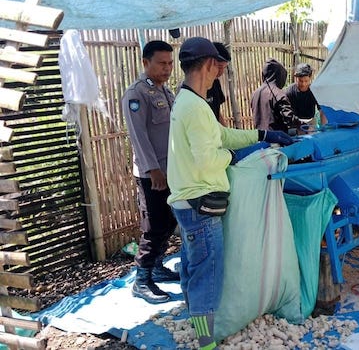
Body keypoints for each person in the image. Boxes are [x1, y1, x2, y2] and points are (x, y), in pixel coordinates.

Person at [166, 37, 294, 350]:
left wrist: (261, 135)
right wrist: (233, 157)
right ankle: (206, 340)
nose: (217, 74)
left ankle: (194, 320)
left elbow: (221, 135)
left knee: (193, 265)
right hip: (200, 203)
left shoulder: (189, 101)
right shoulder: (195, 108)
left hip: (186, 200)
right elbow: (209, 157)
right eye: (216, 68)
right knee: (207, 272)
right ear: (208, 65)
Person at [121, 40, 180, 304]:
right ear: (146, 63)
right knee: (154, 225)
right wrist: (153, 169)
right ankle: (142, 280)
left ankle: (156, 266)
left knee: (170, 221)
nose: (167, 68)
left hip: (171, 170)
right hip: (151, 174)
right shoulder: (137, 94)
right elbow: (138, 136)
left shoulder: (165, 92)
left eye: (170, 63)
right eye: (161, 63)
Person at [251, 58, 301, 133]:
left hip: (260, 137)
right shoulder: (278, 94)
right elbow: (289, 118)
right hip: (276, 138)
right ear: (280, 76)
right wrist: (302, 124)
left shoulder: (255, 93)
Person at [285, 63, 327, 127]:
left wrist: (324, 127)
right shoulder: (289, 91)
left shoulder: (315, 91)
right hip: (295, 122)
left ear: (310, 78)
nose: (303, 84)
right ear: (296, 78)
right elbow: (286, 112)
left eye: (306, 81)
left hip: (311, 122)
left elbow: (322, 111)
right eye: (300, 81)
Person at [206, 42, 230, 125]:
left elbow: (217, 112)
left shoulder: (215, 82)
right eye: (219, 67)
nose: (221, 72)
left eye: (224, 68)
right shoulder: (194, 87)